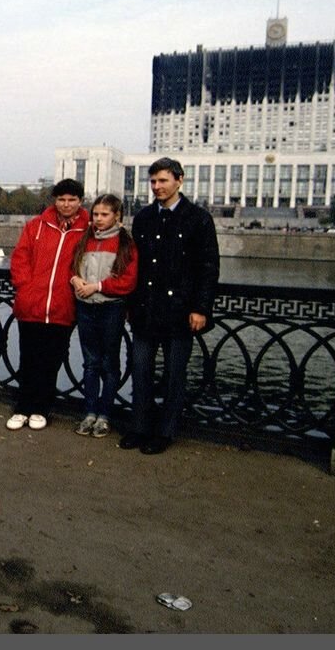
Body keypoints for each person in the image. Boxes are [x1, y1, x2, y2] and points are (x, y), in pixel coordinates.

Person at [121, 157, 219, 455]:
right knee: (140, 370)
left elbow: (208, 267)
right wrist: (130, 302)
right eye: (153, 182)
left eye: (163, 181)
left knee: (175, 375)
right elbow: (133, 264)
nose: (157, 187)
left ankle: (165, 432)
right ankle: (139, 427)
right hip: (145, 309)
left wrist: (201, 308)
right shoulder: (144, 217)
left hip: (179, 312)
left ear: (179, 180)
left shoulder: (198, 218)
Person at [7, 179, 90, 431]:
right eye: (62, 199)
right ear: (55, 200)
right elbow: (20, 257)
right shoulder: (37, 226)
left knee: (51, 360)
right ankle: (23, 407)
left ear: (80, 202)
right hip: (32, 304)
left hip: (62, 306)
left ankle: (41, 408)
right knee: (28, 358)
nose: (66, 204)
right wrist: (26, 288)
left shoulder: (88, 230)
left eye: (72, 200)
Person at [69, 194, 138, 439]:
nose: (98, 219)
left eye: (104, 214)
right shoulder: (84, 239)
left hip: (111, 308)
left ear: (116, 216)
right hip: (86, 307)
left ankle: (105, 415)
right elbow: (73, 267)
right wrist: (75, 279)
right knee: (90, 363)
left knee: (109, 364)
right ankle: (89, 412)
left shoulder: (125, 243)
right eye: (95, 214)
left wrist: (96, 286)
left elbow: (128, 281)